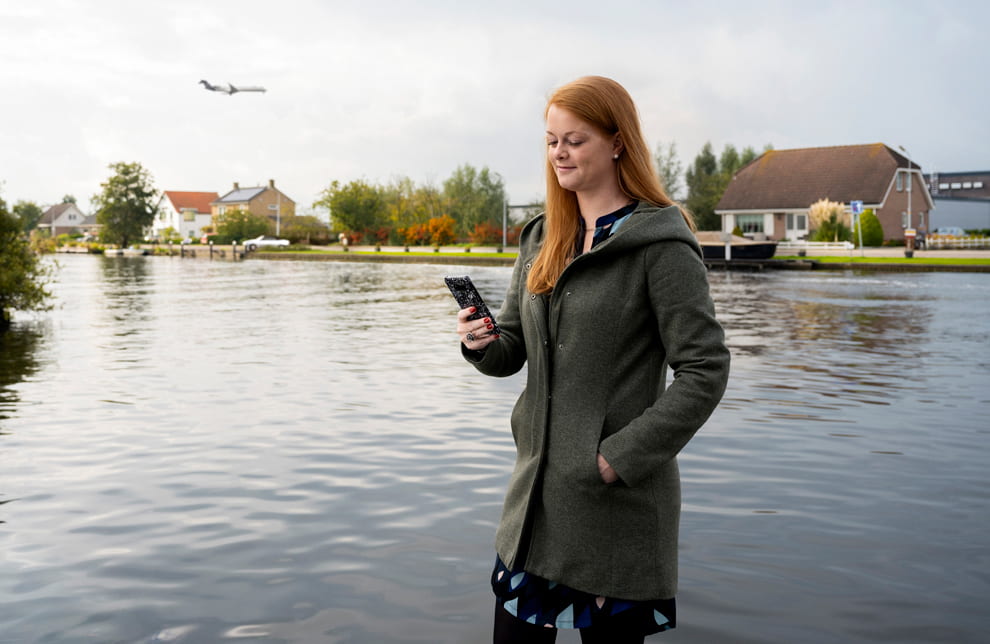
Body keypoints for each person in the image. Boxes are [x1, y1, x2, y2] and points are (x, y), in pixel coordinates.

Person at [454, 76, 730, 643]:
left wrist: (617, 458)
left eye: (575, 140)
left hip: (613, 511)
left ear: (617, 142)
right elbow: (511, 349)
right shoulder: (541, 238)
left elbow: (705, 370)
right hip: (533, 508)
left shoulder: (661, 245)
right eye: (552, 141)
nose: (559, 153)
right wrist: (480, 343)